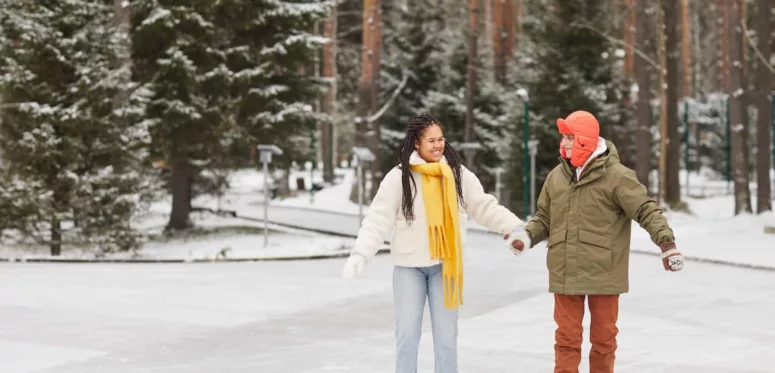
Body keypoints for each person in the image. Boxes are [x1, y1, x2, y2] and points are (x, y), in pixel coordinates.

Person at [342, 114, 527, 373]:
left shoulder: (457, 174)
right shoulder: (399, 178)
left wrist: (515, 227)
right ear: (417, 142)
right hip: (409, 268)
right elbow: (377, 219)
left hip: (445, 267)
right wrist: (361, 254)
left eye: (441, 139)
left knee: (446, 340)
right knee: (406, 337)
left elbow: (484, 206)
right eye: (431, 140)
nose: (438, 145)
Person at [504, 110, 684, 373]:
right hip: (565, 269)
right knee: (565, 340)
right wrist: (527, 236)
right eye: (563, 137)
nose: (563, 143)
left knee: (603, 341)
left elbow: (646, 209)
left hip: (604, 272)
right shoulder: (557, 176)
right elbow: (544, 217)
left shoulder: (617, 176)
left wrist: (667, 244)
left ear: (585, 140)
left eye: (569, 138)